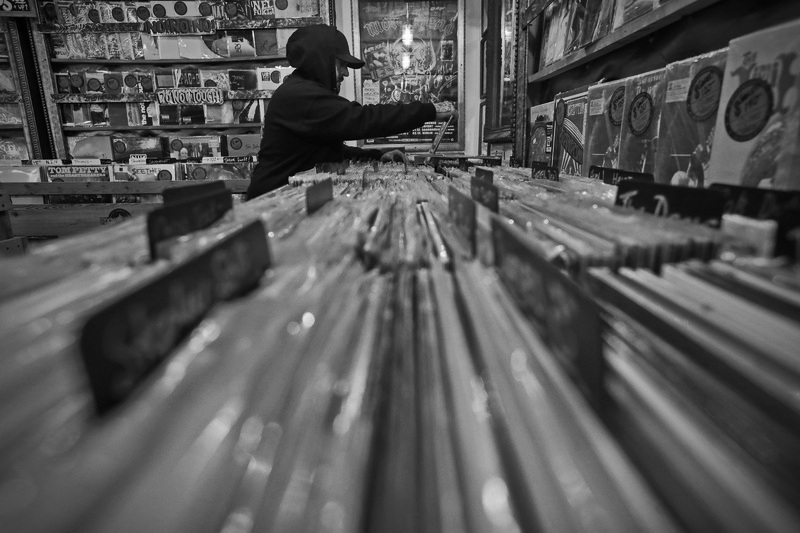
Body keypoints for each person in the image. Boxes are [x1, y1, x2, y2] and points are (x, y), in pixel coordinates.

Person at [246, 24, 457, 200]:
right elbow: (362, 119)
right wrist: (428, 111)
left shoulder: (302, 91)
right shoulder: (301, 96)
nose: (346, 72)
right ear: (320, 60)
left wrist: (376, 155)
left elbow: (329, 151)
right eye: (341, 64)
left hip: (286, 197)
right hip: (274, 201)